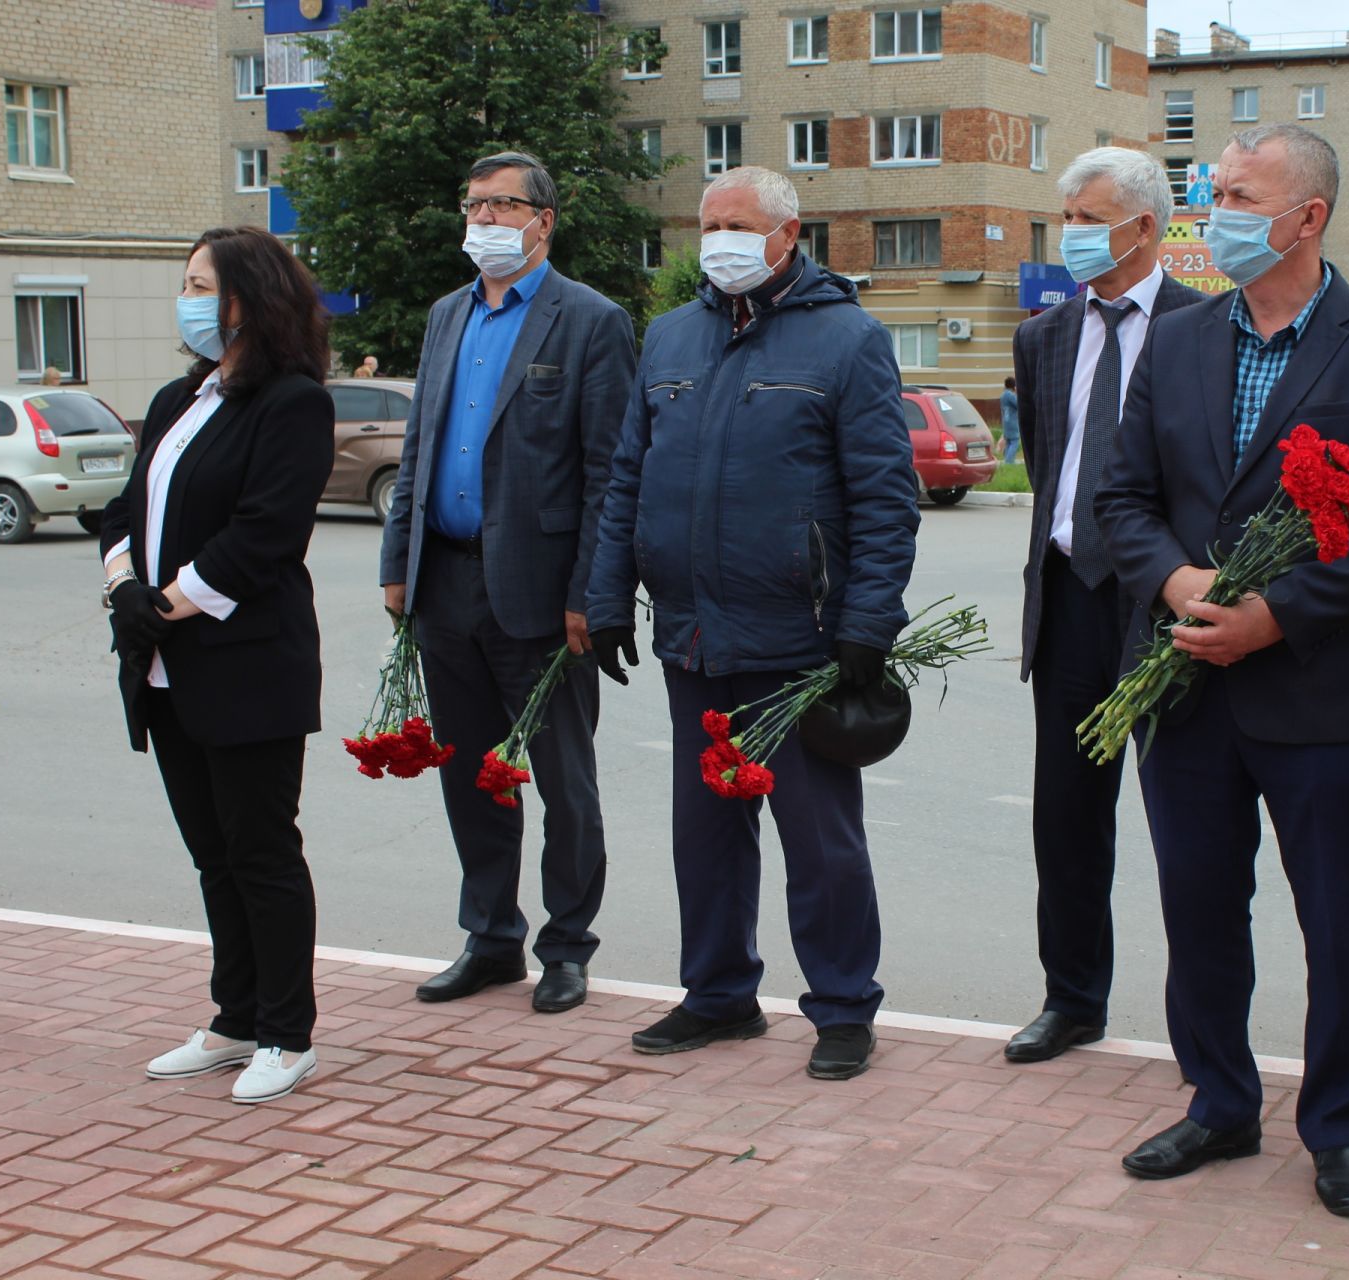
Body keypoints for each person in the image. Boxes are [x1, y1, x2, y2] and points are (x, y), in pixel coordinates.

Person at [1094, 124, 1349, 1215]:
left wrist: (1276, 615)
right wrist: (1179, 585)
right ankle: (1219, 1101)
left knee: (1342, 920)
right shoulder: (1183, 339)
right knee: (1201, 908)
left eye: (1238, 195)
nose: (1214, 216)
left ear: (1306, 217)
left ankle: (1338, 1125)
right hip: (1187, 680)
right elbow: (1122, 497)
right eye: (1211, 195)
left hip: (1325, 692)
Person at [585, 167, 918, 1081]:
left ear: (787, 233)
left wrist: (867, 623)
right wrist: (610, 594)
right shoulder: (670, 338)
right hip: (692, 635)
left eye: (737, 223)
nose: (719, 239)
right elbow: (626, 479)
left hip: (799, 641)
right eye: (707, 224)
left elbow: (887, 499)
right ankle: (720, 996)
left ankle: (844, 1005)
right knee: (707, 833)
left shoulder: (847, 339)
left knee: (819, 841)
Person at [379, 151, 636, 1015]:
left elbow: (608, 473)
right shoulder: (448, 314)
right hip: (444, 584)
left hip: (542, 596)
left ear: (543, 222)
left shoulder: (591, 321)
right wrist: (397, 565)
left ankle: (567, 946)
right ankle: (491, 938)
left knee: (565, 781)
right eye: (473, 204)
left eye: (503, 206)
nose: (484, 221)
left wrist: (590, 596)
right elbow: (420, 447)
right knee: (470, 775)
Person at [100, 226, 334, 1104]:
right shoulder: (177, 398)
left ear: (249, 297)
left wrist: (165, 605)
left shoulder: (294, 403)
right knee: (213, 854)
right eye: (185, 280)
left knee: (261, 849)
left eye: (202, 282)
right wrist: (126, 586)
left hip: (245, 666)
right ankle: (235, 1017)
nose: (188, 297)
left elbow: (266, 535)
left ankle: (287, 1031)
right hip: (165, 665)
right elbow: (123, 511)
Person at [1003, 147, 1204, 1066]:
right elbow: (1053, 470)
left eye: (1090, 219)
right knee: (1068, 817)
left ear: (1146, 228)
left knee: (1189, 827)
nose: (1072, 235)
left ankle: (1202, 1022)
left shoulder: (1206, 327)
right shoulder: (1043, 336)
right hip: (1071, 601)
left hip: (1167, 609)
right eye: (1068, 218)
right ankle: (1072, 997)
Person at [997, 376, 1021, 464]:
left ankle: (1007, 460)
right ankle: (1009, 461)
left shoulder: (1003, 395)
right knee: (1015, 441)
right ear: (1013, 386)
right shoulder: (1010, 395)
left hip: (1006, 421)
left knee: (1009, 442)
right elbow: (1019, 404)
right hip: (1012, 421)